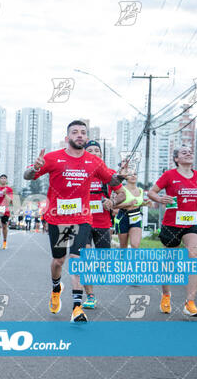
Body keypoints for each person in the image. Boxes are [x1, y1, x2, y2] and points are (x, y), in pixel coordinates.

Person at [24, 120, 125, 322]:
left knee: (77, 259)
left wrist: (120, 177)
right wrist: (35, 168)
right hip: (58, 218)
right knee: (58, 261)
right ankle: (55, 288)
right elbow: (28, 176)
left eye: (83, 132)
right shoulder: (53, 158)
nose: (79, 135)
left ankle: (77, 307)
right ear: (67, 137)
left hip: (82, 218)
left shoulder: (93, 161)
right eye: (75, 132)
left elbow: (112, 182)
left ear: (86, 137)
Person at [147, 145, 197, 317]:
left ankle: (190, 303)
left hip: (192, 222)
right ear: (176, 159)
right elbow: (151, 192)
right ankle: (166, 295)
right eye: (183, 152)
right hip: (171, 224)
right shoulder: (169, 175)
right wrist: (160, 198)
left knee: (193, 257)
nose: (188, 154)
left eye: (190, 152)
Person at [81, 140, 116, 309]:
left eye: (97, 150)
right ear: (85, 153)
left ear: (101, 154)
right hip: (83, 221)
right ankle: (90, 296)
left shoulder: (110, 174)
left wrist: (113, 201)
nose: (94, 152)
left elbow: (123, 196)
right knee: (86, 257)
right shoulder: (79, 173)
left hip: (103, 223)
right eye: (90, 150)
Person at [114, 172, 151, 250]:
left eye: (135, 174)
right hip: (123, 217)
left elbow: (137, 204)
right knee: (123, 247)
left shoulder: (140, 190)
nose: (133, 176)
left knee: (135, 245)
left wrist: (144, 203)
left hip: (136, 216)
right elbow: (114, 206)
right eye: (130, 174)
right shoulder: (121, 189)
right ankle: (123, 261)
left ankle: (133, 262)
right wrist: (128, 204)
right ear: (126, 177)